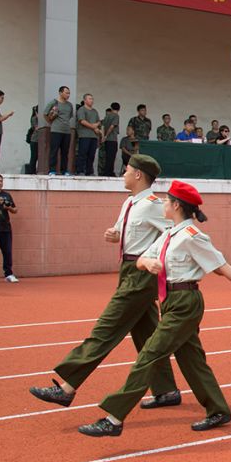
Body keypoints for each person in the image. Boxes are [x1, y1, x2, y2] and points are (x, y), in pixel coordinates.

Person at [77, 180, 231, 437]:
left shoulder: (193, 237)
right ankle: (218, 408)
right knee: (191, 358)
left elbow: (221, 266)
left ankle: (114, 417)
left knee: (149, 355)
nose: (162, 203)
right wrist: (148, 263)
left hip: (185, 302)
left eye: (166, 200)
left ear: (176, 205)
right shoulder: (168, 235)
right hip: (170, 301)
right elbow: (143, 258)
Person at [29, 155, 182, 411]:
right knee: (147, 336)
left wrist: (153, 258)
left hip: (141, 274)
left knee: (105, 329)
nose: (123, 173)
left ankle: (67, 386)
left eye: (127, 170)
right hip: (128, 269)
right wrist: (114, 235)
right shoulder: (129, 203)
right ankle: (166, 390)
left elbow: (174, 234)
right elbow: (125, 233)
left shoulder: (153, 205)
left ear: (138, 175)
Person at [44, 85, 73, 175]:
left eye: (69, 93)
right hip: (56, 130)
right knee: (54, 150)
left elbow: (70, 116)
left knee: (65, 152)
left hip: (67, 131)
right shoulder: (53, 103)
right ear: (60, 93)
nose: (68, 95)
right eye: (66, 93)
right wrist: (51, 123)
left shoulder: (69, 105)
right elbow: (45, 114)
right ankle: (52, 170)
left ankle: (64, 170)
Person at [74, 93, 102, 176]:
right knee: (82, 153)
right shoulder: (81, 110)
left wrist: (96, 126)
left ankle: (89, 171)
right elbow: (82, 121)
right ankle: (80, 170)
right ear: (85, 100)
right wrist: (93, 127)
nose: (91, 100)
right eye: (89, 99)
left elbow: (99, 121)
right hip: (84, 135)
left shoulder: (95, 111)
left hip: (93, 136)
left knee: (91, 155)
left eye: (92, 99)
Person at [101, 103, 121, 177]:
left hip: (106, 140)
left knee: (107, 156)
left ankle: (107, 171)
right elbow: (112, 126)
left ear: (111, 108)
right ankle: (109, 172)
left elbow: (102, 126)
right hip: (112, 139)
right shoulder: (116, 116)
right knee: (111, 157)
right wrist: (106, 136)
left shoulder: (107, 116)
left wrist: (103, 136)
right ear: (119, 109)